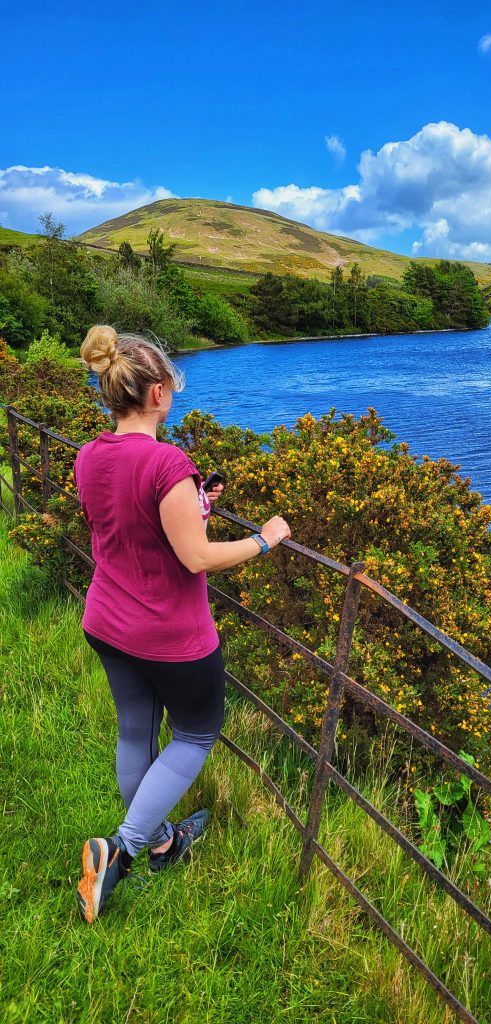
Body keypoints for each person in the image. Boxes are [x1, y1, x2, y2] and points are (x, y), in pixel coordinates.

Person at [73, 324, 290, 923]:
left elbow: (128, 523)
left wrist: (195, 506)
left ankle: (164, 841)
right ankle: (121, 849)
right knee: (194, 736)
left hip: (107, 621)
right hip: (170, 634)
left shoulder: (89, 456)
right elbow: (195, 557)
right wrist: (263, 540)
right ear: (158, 393)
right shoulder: (169, 461)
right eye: (172, 388)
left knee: (134, 733)